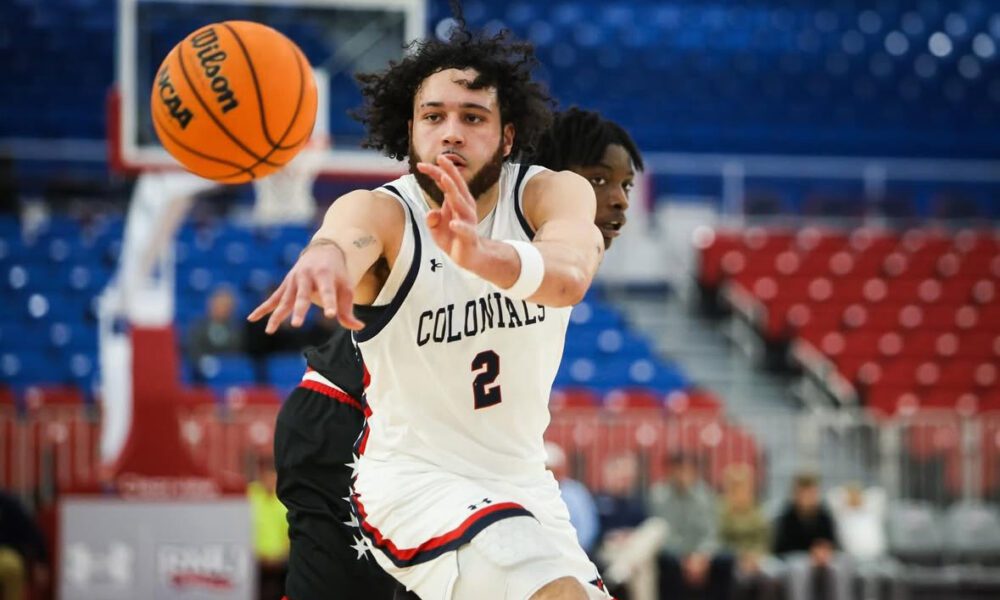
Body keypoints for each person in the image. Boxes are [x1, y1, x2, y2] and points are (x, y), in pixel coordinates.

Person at [252, 18, 651, 597]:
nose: (451, 133)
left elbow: (567, 275)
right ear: (409, 130)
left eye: (472, 117)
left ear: (508, 136)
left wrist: (486, 255)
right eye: (433, 117)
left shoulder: (549, 196)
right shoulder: (385, 211)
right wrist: (327, 255)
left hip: (519, 482)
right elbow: (347, 232)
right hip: (407, 472)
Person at [647, 453, 734, 600]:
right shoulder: (658, 496)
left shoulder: (706, 495)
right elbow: (661, 534)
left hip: (701, 555)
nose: (683, 476)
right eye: (679, 470)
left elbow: (711, 533)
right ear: (670, 472)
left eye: (688, 471)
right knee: (666, 560)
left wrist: (702, 556)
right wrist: (685, 559)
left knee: (726, 559)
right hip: (675, 554)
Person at [772, 472, 852, 600]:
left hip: (822, 557)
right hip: (795, 557)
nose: (808, 497)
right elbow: (780, 547)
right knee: (799, 568)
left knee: (840, 565)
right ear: (796, 494)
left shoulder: (824, 514)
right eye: (804, 493)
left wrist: (824, 551)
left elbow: (832, 541)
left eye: (812, 493)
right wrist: (811, 554)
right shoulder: (787, 516)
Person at [717, 464, 779, 600]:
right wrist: (740, 556)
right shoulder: (722, 512)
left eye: (744, 488)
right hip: (733, 559)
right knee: (737, 578)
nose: (741, 493)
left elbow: (764, 538)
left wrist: (756, 555)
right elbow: (720, 540)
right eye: (736, 488)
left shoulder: (756, 511)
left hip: (757, 557)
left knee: (771, 576)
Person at [247, 455, 290, 600]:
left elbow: (289, 534)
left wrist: (280, 557)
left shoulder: (285, 501)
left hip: (279, 566)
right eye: (267, 477)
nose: (270, 482)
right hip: (252, 563)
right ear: (261, 476)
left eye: (273, 478)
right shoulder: (250, 494)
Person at [185, 285, 244, 380]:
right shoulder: (199, 326)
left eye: (226, 305)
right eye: (219, 304)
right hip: (201, 375)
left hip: (229, 373)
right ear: (211, 304)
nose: (222, 308)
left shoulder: (236, 328)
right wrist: (203, 361)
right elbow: (193, 349)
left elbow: (238, 351)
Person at [0, 491, 48, 600]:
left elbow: (32, 531)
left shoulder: (9, 504)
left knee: (11, 566)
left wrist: (41, 560)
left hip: (6, 552)